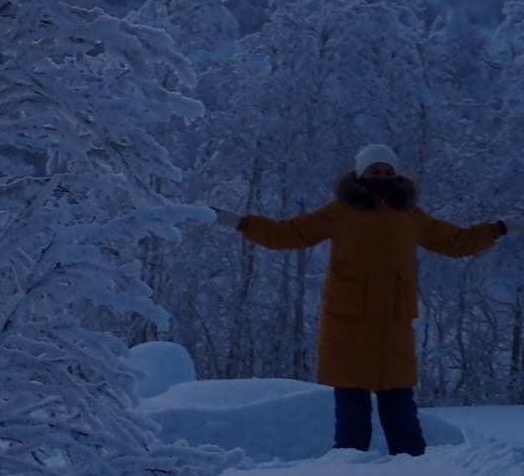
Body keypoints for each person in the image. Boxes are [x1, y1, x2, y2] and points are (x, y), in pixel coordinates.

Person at [214, 143, 513, 457]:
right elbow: (287, 234)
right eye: (374, 170)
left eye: (387, 171)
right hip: (348, 331)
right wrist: (241, 223)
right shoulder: (340, 211)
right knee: (352, 425)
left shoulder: (409, 215)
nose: (381, 176)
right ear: (360, 174)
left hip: (393, 332)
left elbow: (456, 242)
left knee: (403, 420)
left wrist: (499, 228)